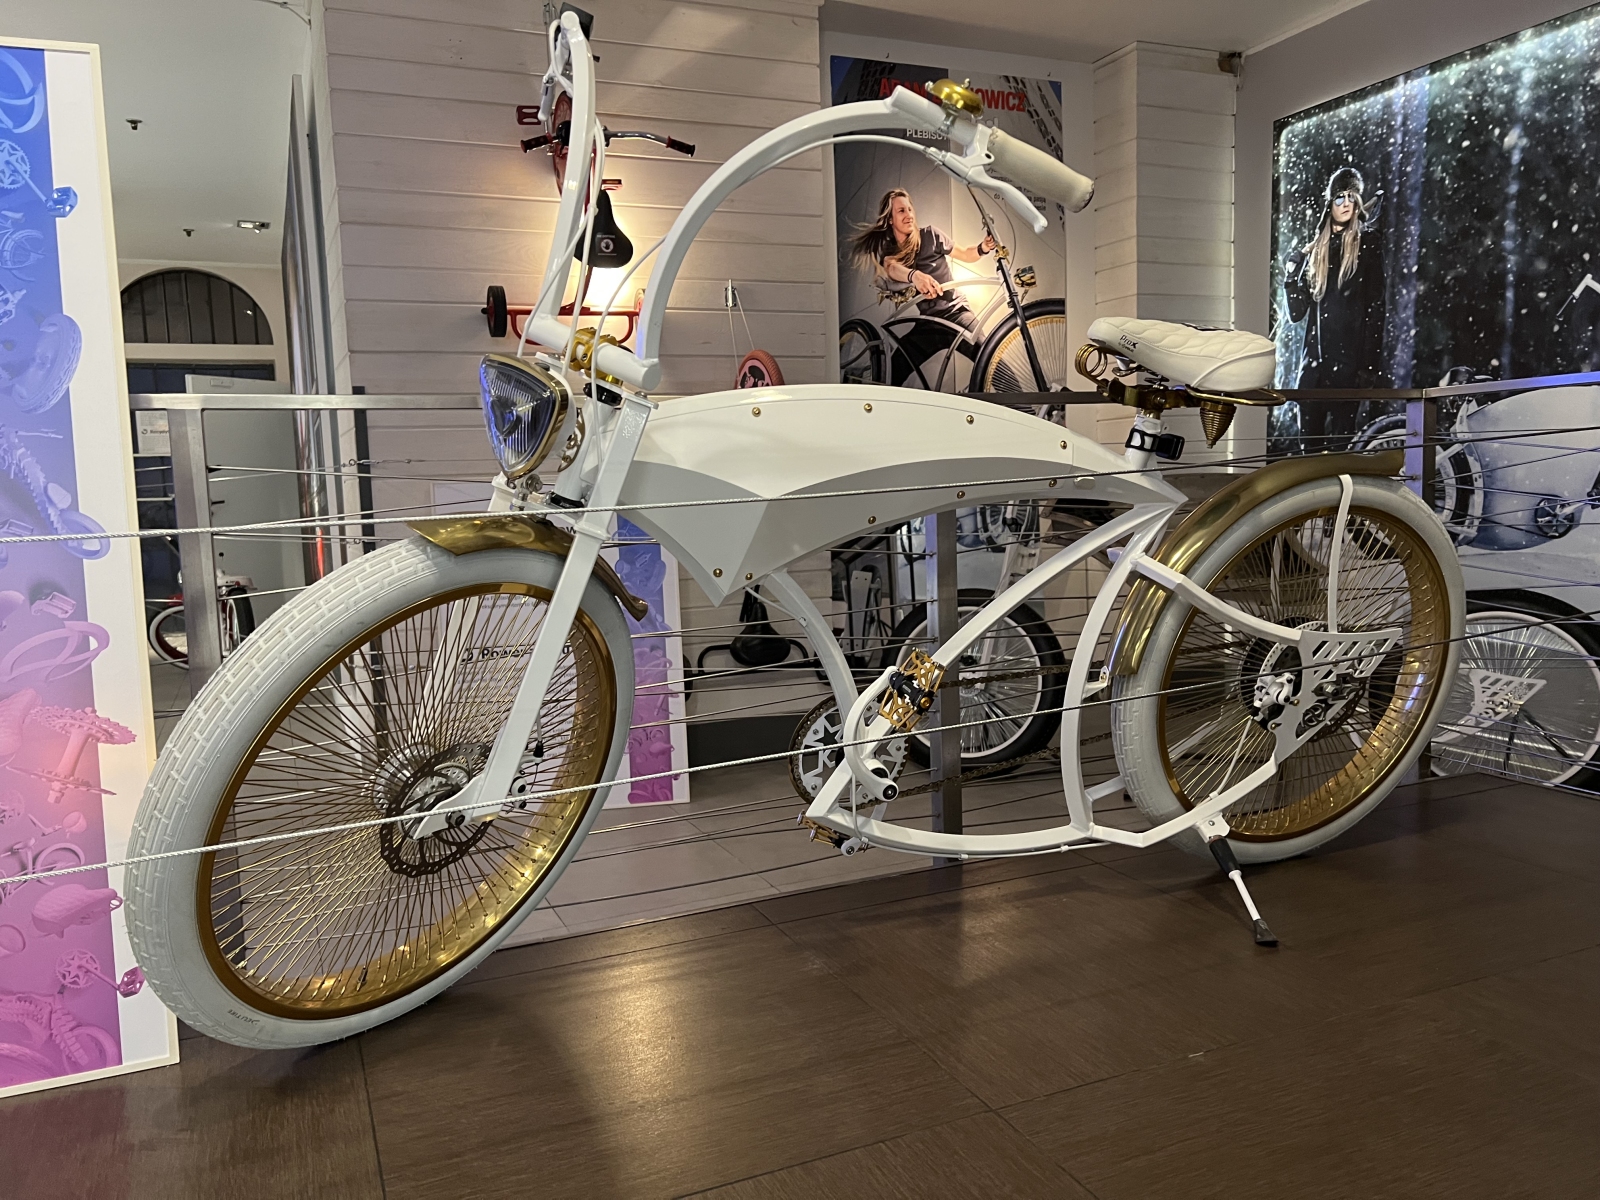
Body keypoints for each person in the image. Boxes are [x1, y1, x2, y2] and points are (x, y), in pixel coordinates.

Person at [850, 189, 995, 387]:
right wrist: (915, 276)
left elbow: (966, 254)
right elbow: (892, 268)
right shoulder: (892, 252)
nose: (909, 215)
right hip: (928, 324)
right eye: (901, 211)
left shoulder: (931, 235)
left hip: (956, 314)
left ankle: (1024, 403)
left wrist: (983, 247)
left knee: (990, 360)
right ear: (890, 219)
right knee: (893, 371)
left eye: (910, 209)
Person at [1283, 166, 1386, 388]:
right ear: (1330, 204)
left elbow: (1375, 309)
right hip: (1312, 374)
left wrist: (1368, 368)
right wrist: (1291, 278)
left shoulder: (1368, 244)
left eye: (1351, 197)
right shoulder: (1318, 251)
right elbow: (1296, 313)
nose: (1346, 203)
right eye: (1340, 198)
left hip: (1348, 371)